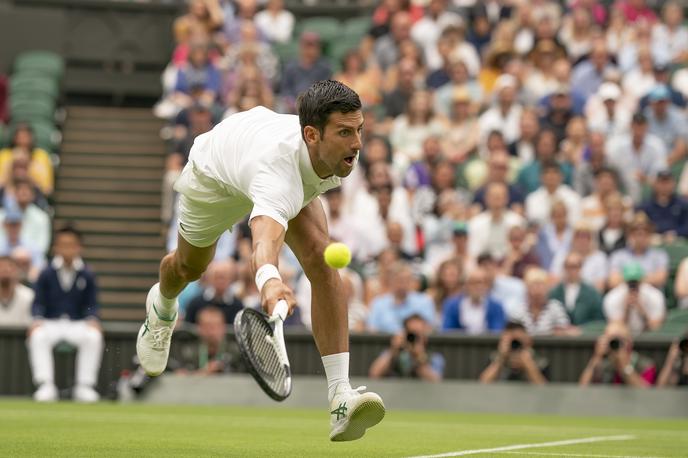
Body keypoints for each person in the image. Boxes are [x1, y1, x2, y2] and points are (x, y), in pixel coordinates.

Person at [135, 81, 384, 441]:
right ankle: (161, 306)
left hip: (263, 156)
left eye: (359, 130)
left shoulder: (335, 153)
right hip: (215, 177)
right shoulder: (277, 176)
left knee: (321, 259)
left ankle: (340, 397)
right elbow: (264, 242)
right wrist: (270, 281)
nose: (357, 143)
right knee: (189, 268)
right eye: (345, 133)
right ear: (312, 135)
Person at [27, 225, 102, 402]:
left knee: (94, 337)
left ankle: (84, 386)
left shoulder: (88, 274)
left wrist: (92, 318)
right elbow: (38, 301)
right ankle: (45, 385)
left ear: (79, 247)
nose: (67, 249)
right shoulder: (45, 272)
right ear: (56, 247)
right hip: (50, 323)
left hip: (77, 324)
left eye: (71, 245)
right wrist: (36, 319)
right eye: (63, 244)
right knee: (37, 336)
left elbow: (92, 303)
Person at [369, 313, 444, 382]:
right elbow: (374, 374)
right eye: (411, 334)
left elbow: (435, 380)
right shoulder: (394, 352)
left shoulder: (435, 357)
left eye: (418, 334)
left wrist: (419, 356)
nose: (414, 338)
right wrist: (393, 350)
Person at [579, 322, 656, 387]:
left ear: (629, 343)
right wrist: (596, 357)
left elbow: (645, 394)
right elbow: (583, 389)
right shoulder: (604, 365)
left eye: (619, 340)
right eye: (610, 340)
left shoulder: (645, 365)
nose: (614, 345)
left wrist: (625, 367)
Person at [367, 261, 436, 333]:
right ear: (391, 282)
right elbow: (372, 330)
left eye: (407, 280)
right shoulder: (378, 304)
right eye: (399, 280)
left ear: (412, 281)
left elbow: (429, 329)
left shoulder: (424, 301)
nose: (403, 285)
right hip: (384, 343)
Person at [608, 212, 669, 290]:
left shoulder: (659, 255)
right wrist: (646, 277)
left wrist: (630, 278)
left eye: (644, 234)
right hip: (624, 291)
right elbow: (613, 281)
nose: (640, 238)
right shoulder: (618, 255)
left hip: (650, 291)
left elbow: (660, 279)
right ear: (629, 235)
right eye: (637, 234)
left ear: (650, 235)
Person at [510, 267, 576, 336]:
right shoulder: (519, 310)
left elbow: (564, 332)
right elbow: (512, 334)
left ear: (547, 288)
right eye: (534, 285)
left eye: (541, 285)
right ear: (527, 288)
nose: (538, 289)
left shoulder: (555, 307)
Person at [603, 262, 665, 334]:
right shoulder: (613, 297)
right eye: (630, 282)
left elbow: (655, 327)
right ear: (624, 280)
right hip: (624, 337)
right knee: (613, 329)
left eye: (635, 281)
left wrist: (641, 310)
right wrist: (626, 309)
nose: (633, 285)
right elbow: (616, 328)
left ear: (642, 279)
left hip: (648, 336)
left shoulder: (655, 295)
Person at [479, 321, 548, 384]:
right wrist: (502, 357)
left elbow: (543, 388)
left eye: (518, 341)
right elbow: (483, 384)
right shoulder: (495, 357)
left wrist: (527, 362)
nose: (515, 344)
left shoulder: (539, 361)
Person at [441, 267, 506, 334]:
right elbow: (447, 331)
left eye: (481, 282)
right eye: (473, 283)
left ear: (488, 285)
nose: (477, 287)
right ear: (466, 284)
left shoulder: (496, 306)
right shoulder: (452, 305)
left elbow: (497, 331)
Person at [548, 252, 604, 326]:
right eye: (568, 266)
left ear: (580, 268)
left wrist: (582, 330)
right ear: (564, 268)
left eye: (575, 266)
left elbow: (599, 321)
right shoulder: (554, 293)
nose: (572, 270)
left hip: (585, 336)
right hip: (559, 336)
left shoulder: (592, 293)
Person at [183, 259, 244, 325]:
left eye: (223, 277)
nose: (220, 281)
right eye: (217, 277)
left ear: (231, 279)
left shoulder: (237, 306)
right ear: (210, 278)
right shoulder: (195, 303)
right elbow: (187, 329)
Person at [638, 170, 688, 240]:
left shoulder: (683, 205)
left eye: (667, 182)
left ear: (673, 184)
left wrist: (676, 233)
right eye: (662, 182)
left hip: (677, 240)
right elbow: (639, 225)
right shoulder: (645, 206)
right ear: (655, 184)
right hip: (652, 241)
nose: (664, 186)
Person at [0, 256, 34, 327]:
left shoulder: (29, 296)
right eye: (1, 267)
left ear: (17, 271)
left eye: (10, 267)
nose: (5, 270)